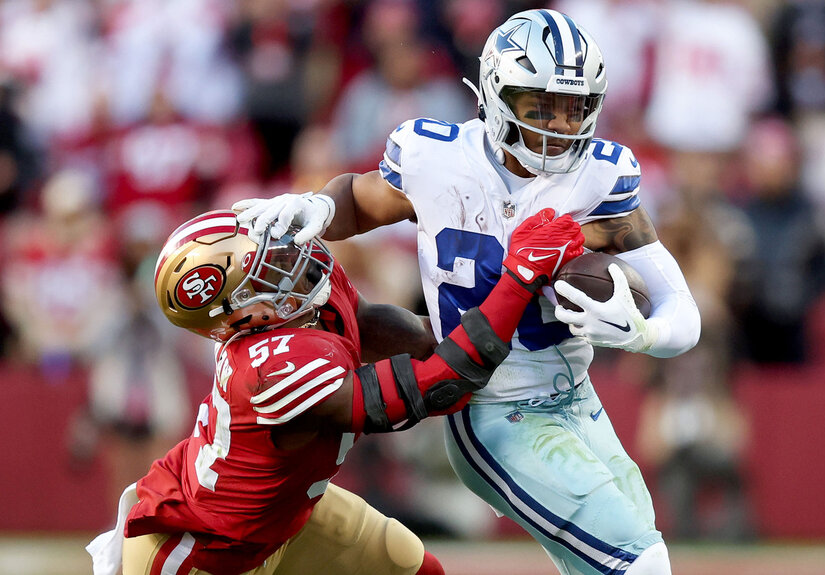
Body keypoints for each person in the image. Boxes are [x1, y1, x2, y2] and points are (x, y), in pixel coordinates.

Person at [234, 9, 702, 575]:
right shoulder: (438, 157)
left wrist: (645, 332)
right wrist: (321, 205)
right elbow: (360, 200)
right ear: (498, 95)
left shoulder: (599, 180)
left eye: (573, 107)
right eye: (540, 106)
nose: (559, 126)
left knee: (626, 559)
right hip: (494, 409)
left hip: (577, 401)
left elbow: (682, 307)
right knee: (638, 563)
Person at [87, 206, 585, 575]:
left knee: (408, 565)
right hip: (205, 550)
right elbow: (436, 389)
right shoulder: (270, 368)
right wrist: (517, 281)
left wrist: (493, 331)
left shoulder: (302, 297)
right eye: (266, 267)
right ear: (239, 310)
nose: (291, 258)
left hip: (288, 517)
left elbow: (371, 325)